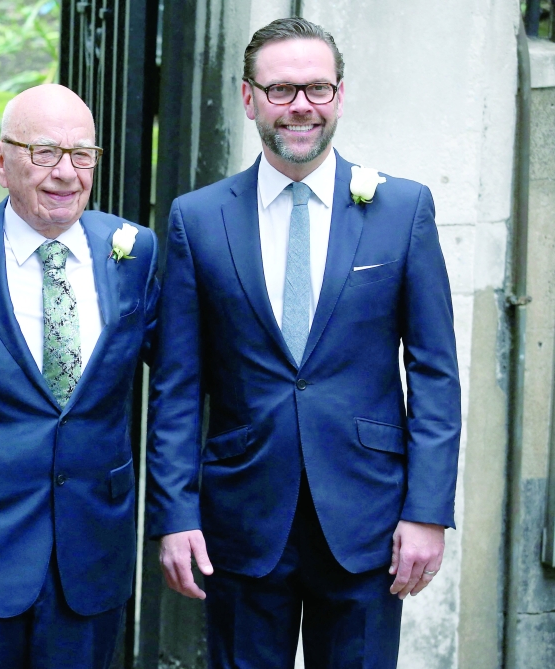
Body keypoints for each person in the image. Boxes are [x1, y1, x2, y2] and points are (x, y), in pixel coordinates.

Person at [146, 17, 461, 668]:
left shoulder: (403, 210)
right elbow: (177, 385)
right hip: (243, 518)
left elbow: (434, 373)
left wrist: (427, 510)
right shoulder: (197, 219)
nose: (301, 106)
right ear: (249, 97)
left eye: (317, 88)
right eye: (281, 90)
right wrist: (175, 513)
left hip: (369, 521)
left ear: (339, 95)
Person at [0, 84, 159, 668]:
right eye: (44, 153)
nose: (66, 173)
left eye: (82, 155)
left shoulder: (133, 252)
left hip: (89, 559)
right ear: (1, 160)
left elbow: (180, 379)